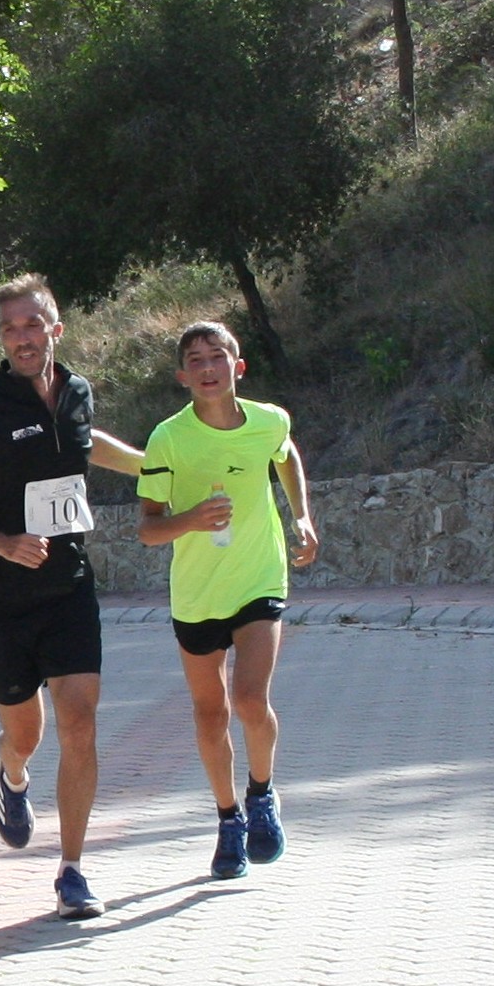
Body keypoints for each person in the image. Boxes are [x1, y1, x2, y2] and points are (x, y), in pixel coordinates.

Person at [0, 275, 146, 920]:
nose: (22, 337)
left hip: (69, 586)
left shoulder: (77, 392)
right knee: (26, 732)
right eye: (10, 328)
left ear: (56, 327)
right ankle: (11, 774)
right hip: (1, 594)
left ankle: (72, 869)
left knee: (80, 721)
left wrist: (157, 463)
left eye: (32, 324)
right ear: (2, 338)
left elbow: (85, 444)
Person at [135, 320, 319, 880]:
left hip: (259, 577)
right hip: (195, 593)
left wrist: (302, 515)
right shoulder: (168, 438)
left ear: (237, 367)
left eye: (217, 357)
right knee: (210, 711)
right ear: (182, 376)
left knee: (247, 698)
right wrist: (189, 520)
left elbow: (285, 456)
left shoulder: (269, 420)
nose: (207, 368)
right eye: (195, 360)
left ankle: (262, 794)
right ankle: (227, 818)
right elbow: (148, 528)